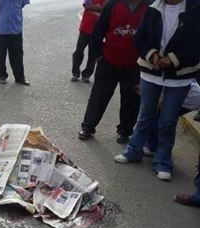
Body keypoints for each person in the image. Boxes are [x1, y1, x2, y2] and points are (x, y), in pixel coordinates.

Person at [114, 0, 200, 181]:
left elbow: (196, 44)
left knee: (168, 120)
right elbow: (140, 38)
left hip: (179, 76)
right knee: (145, 114)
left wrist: (171, 59)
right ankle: (133, 151)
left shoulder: (194, 9)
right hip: (150, 72)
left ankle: (163, 162)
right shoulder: (153, 8)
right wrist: (152, 54)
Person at [78, 0, 149, 144]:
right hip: (108, 61)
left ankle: (125, 131)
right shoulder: (113, 5)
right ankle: (88, 127)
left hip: (134, 65)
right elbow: (98, 31)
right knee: (99, 96)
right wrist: (98, 55)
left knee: (131, 100)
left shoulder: (150, 7)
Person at [0, 0, 30, 86]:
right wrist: (2, 13)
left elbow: (22, 4)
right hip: (1, 27)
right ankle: (2, 75)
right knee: (1, 53)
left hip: (16, 27)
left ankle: (19, 77)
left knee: (17, 54)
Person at [71, 0, 107, 83]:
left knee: (93, 54)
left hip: (97, 32)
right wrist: (100, 8)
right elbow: (86, 5)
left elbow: (108, 9)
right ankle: (75, 73)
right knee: (79, 51)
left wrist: (94, 7)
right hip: (85, 28)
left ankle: (86, 74)